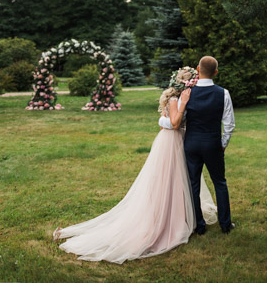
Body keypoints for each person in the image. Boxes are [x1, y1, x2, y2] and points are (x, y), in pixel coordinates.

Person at [53, 87, 217, 263]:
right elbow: (174, 123)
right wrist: (180, 105)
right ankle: (167, 218)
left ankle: (181, 215)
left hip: (178, 141)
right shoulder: (177, 100)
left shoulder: (185, 99)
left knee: (180, 180)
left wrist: (168, 118)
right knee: (168, 180)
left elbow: (168, 121)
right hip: (171, 143)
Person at [181, 55, 235, 234]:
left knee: (193, 184)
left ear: (197, 69)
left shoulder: (187, 93)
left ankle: (199, 226)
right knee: (220, 182)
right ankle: (225, 224)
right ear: (216, 72)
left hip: (192, 143)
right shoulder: (223, 93)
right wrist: (223, 144)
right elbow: (229, 124)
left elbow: (180, 120)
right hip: (212, 143)